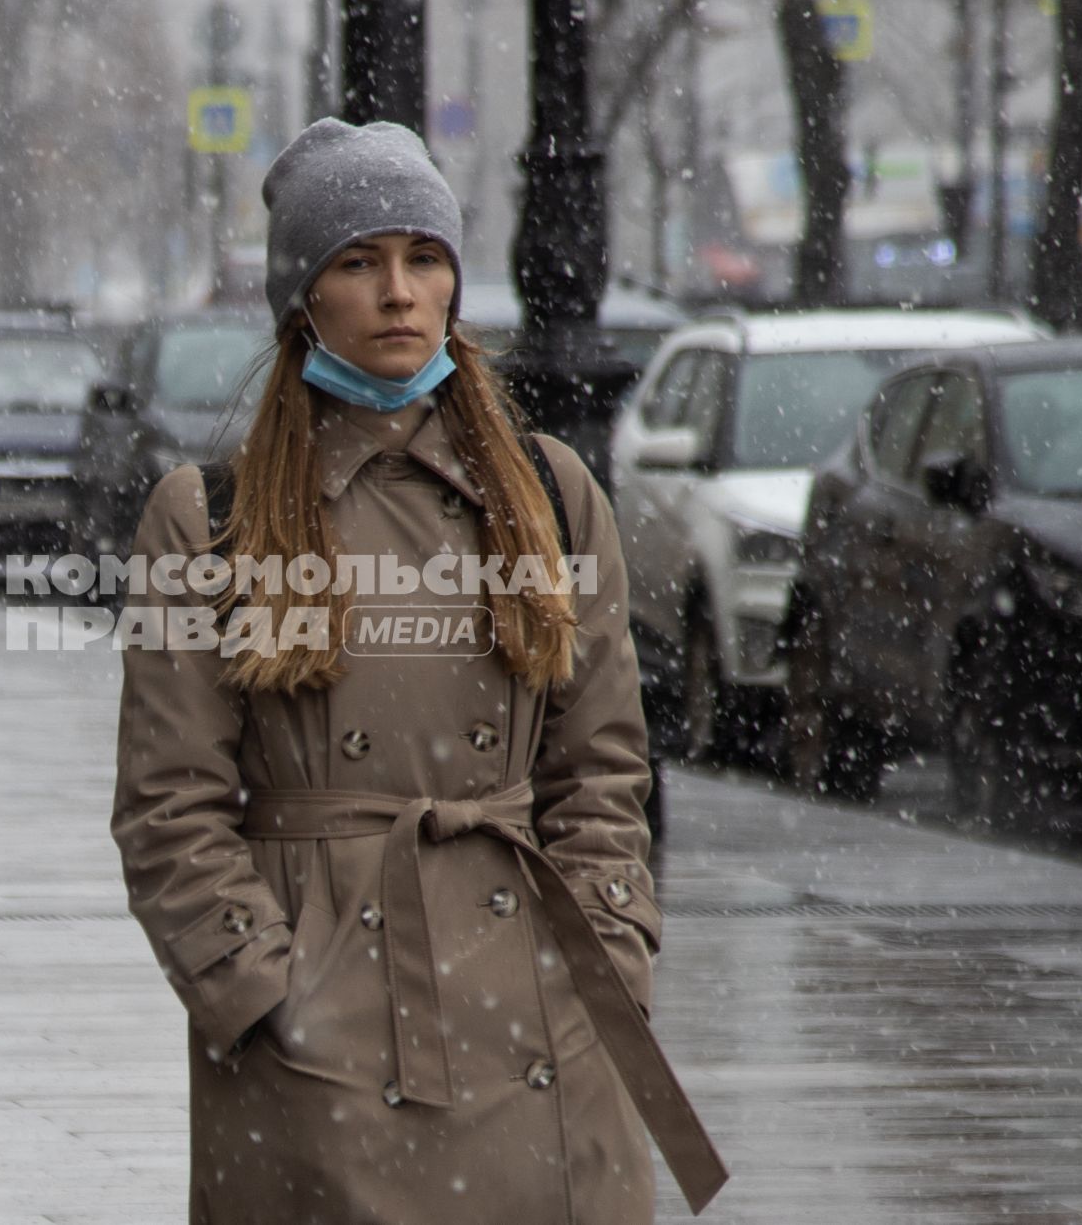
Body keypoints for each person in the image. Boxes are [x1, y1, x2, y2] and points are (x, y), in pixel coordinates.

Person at [109, 119, 726, 1223]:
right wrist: (262, 994)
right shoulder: (209, 517)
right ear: (303, 299)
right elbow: (168, 805)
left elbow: (602, 767)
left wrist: (607, 949)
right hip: (321, 1020)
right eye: (358, 262)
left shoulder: (548, 488)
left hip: (540, 1007)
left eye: (423, 257)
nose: (399, 292)